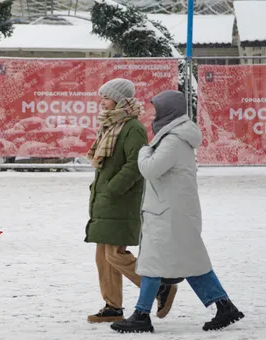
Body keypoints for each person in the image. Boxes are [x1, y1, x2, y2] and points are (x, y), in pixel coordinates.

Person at [111, 90, 244, 333]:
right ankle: (224, 306)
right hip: (171, 212)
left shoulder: (172, 140)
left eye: (158, 109)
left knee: (154, 262)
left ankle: (141, 314)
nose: (154, 114)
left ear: (168, 112)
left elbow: (150, 169)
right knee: (188, 261)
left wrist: (143, 150)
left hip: (168, 214)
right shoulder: (173, 137)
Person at [84, 78, 177, 323]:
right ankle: (112, 306)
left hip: (122, 200)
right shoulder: (110, 125)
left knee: (115, 254)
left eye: (106, 97)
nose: (101, 102)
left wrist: (113, 188)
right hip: (106, 200)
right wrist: (103, 191)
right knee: (103, 257)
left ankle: (159, 288)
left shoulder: (132, 127)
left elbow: (136, 165)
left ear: (119, 100)